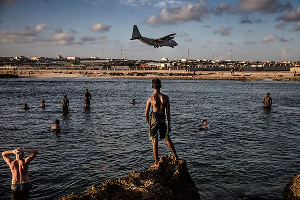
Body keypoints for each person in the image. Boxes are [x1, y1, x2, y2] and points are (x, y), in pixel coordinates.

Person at [145, 79, 178, 168]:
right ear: (160, 86)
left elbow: (146, 114)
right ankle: (176, 157)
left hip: (154, 118)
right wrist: (169, 124)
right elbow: (168, 112)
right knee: (167, 138)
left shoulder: (150, 99)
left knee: (154, 141)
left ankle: (156, 162)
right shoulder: (166, 98)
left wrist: (149, 125)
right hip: (162, 117)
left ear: (152, 87)